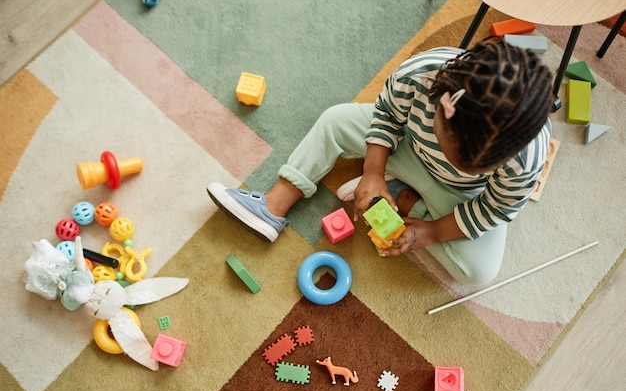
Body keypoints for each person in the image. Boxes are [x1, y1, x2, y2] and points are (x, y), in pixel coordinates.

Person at [207, 37, 554, 285]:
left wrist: (432, 232)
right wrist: (372, 171)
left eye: (473, 164)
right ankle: (274, 204)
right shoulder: (421, 74)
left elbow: (492, 210)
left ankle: (408, 200)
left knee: (480, 272)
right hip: (403, 146)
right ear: (444, 99)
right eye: (451, 148)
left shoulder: (527, 156)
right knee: (335, 120)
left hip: (460, 195)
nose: (457, 162)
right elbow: (386, 116)